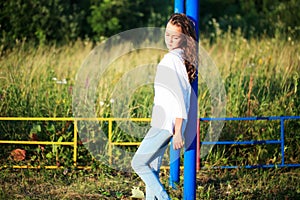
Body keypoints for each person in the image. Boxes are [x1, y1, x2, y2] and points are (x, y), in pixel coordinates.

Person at [131, 13, 197, 200]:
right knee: (151, 166)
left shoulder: (172, 60)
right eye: (167, 34)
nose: (169, 39)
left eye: (175, 37)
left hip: (165, 124)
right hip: (163, 121)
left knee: (138, 163)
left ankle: (163, 197)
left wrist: (177, 131)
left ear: (184, 39)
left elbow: (180, 98)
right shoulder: (180, 58)